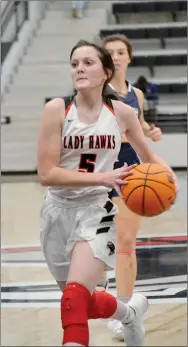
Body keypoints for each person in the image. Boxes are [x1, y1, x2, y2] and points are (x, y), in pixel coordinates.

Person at [38, 39, 177, 346]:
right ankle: (128, 313)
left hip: (96, 210)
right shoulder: (57, 109)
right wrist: (105, 175)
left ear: (105, 72)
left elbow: (148, 156)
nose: (79, 69)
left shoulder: (122, 113)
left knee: (74, 299)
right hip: (57, 211)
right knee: (80, 303)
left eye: (88, 62)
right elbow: (46, 174)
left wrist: (170, 179)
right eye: (75, 64)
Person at [99, 34, 162, 339]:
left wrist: (151, 131)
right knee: (94, 242)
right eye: (109, 52)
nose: (115, 56)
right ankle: (102, 288)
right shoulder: (94, 91)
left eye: (120, 52)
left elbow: (138, 125)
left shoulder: (135, 93)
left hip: (130, 170)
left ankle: (123, 312)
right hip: (98, 168)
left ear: (128, 57)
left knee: (126, 240)